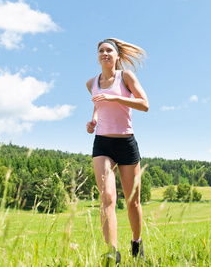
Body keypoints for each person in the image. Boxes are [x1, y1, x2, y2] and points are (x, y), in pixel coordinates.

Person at [86, 38, 149, 264]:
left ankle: (136, 243)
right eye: (101, 50)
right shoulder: (91, 83)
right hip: (102, 144)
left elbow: (145, 104)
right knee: (108, 198)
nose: (105, 53)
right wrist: (93, 120)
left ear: (117, 56)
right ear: (98, 56)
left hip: (126, 143)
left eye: (109, 50)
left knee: (133, 201)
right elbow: (97, 103)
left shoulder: (126, 77)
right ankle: (112, 252)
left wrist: (115, 96)